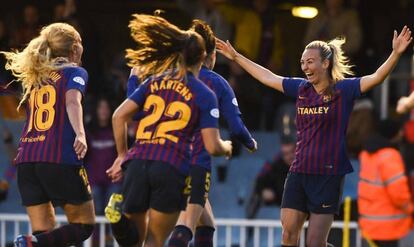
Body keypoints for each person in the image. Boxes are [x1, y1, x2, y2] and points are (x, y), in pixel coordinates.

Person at [216, 25, 412, 246]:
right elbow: (267, 77)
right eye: (302, 62)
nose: (305, 67)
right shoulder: (300, 89)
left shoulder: (343, 89)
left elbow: (376, 78)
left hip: (328, 175)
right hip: (299, 172)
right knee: (288, 236)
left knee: (315, 243)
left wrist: (395, 54)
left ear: (325, 63)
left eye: (310, 61)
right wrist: (236, 57)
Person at [104, 14, 232, 247]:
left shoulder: (155, 82)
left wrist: (122, 154)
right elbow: (212, 146)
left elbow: (118, 116)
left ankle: (119, 223)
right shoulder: (204, 93)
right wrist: (227, 146)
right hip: (170, 164)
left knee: (133, 241)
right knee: (154, 240)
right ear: (203, 57)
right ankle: (120, 222)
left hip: (138, 162)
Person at [1, 22, 95, 246]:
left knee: (43, 234)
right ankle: (31, 243)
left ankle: (30, 242)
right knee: (84, 225)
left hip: (27, 162)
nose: (82, 47)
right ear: (74, 49)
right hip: (58, 157)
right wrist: (80, 134)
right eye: (80, 43)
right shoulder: (75, 71)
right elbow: (72, 100)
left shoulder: (36, 77)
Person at [166, 19, 257, 247]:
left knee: (206, 224)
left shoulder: (167, 78)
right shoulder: (217, 82)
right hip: (195, 161)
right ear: (211, 54)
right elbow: (236, 127)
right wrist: (251, 143)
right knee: (187, 224)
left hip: (165, 158)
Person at [358, 119, 413, 247]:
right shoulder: (390, 156)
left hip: (369, 223)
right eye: (399, 131)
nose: (401, 134)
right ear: (393, 134)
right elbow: (398, 194)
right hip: (390, 227)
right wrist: (410, 208)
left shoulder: (366, 153)